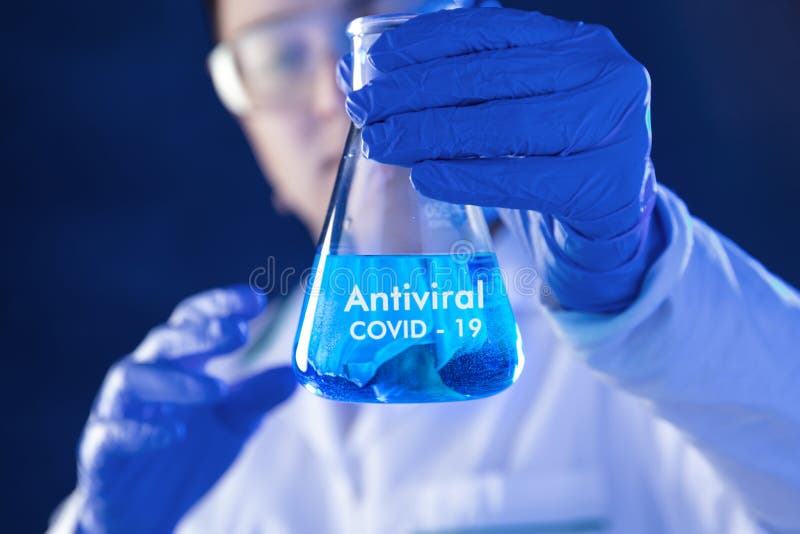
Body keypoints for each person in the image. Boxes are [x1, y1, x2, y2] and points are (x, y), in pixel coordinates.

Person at [50, 0, 800, 532]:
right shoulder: (206, 410)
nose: (337, 92)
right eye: (277, 55)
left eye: (385, 28)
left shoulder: (637, 338)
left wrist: (643, 286)